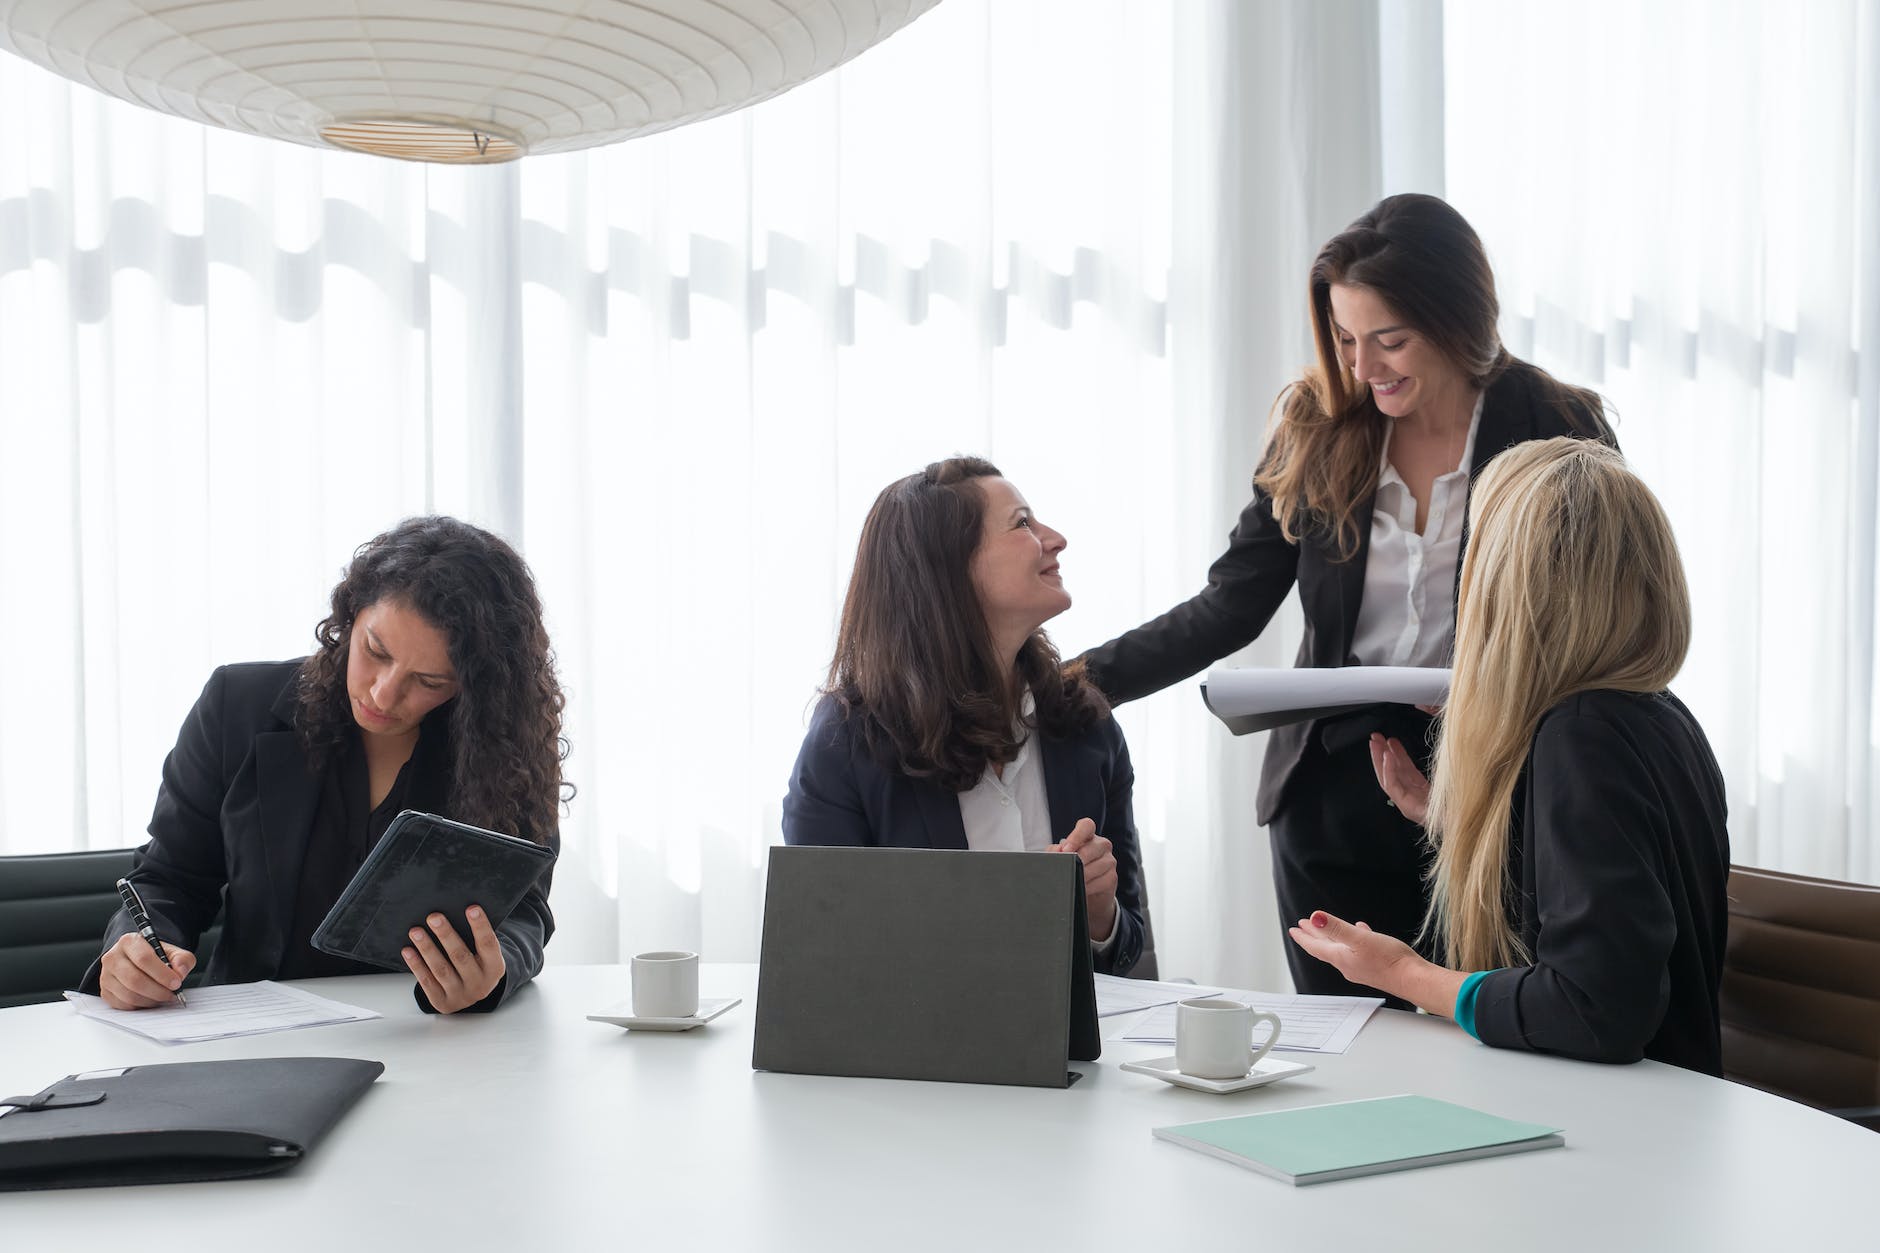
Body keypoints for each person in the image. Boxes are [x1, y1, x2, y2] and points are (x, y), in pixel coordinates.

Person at [1076, 193, 1612, 999]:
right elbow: (1230, 603)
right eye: (1346, 338)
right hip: (1329, 792)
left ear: (1458, 319)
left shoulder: (1561, 427)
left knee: (1487, 1027)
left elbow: (1597, 623)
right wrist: (1080, 681)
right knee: (1347, 1047)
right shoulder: (1317, 426)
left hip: (1491, 782)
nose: (1363, 368)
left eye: (1390, 340)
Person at [1289, 438, 1729, 1073]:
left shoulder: (1583, 736)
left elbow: (1594, 1006)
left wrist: (1404, 973)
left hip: (1625, 1137)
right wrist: (1461, 819)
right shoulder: (1659, 714)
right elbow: (1614, 892)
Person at [82, 515, 569, 1014]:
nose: (383, 693)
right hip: (249, 1036)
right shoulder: (236, 707)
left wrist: (493, 971)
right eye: (375, 651)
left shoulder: (506, 747)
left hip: (426, 1034)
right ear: (350, 616)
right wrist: (136, 953)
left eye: (428, 681)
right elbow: (169, 879)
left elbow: (523, 906)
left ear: (472, 685)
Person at [783, 457, 1153, 977]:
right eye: (1022, 523)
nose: (1056, 539)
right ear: (948, 568)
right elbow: (820, 955)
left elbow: (1128, 945)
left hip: (1072, 1058)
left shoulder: (1087, 726)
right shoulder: (847, 740)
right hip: (910, 1056)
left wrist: (1100, 916)